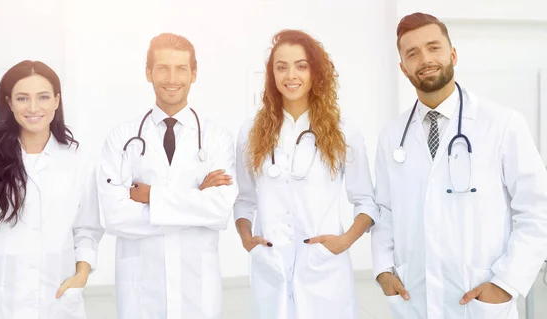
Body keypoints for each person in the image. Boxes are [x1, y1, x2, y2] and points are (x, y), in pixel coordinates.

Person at [371, 12, 547, 318]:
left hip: (481, 299)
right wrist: (384, 271)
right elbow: (384, 211)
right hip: (415, 298)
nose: (425, 59)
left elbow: (537, 211)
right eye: (412, 53)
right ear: (403, 68)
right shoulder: (391, 136)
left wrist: (506, 283)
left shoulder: (503, 124)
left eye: (433, 47)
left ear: (452, 53)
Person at [234, 29, 379, 319]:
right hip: (271, 265)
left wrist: (343, 242)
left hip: (323, 269)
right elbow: (244, 199)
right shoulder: (251, 131)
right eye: (281, 66)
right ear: (271, 75)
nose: (291, 75)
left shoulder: (344, 131)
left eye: (301, 65)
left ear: (316, 72)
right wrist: (246, 238)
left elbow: (366, 201)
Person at [0, 60, 104, 319]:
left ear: (57, 100)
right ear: (9, 103)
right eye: (22, 98)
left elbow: (86, 228)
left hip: (54, 301)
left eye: (43, 97)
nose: (33, 108)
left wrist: (81, 274)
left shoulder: (77, 162)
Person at [97, 33, 238, 319]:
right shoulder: (121, 138)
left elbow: (220, 210)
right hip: (141, 288)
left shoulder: (217, 138)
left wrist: (152, 197)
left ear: (194, 73)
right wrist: (196, 201)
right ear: (148, 72)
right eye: (162, 68)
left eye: (181, 68)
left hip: (196, 288)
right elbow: (115, 217)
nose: (171, 78)